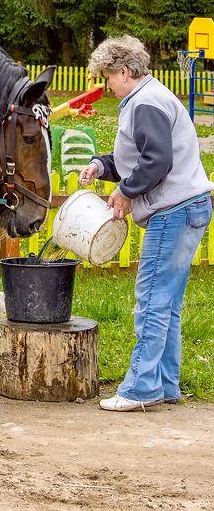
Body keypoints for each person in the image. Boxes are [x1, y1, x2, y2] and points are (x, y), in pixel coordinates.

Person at [79, 35, 214, 412]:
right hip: (189, 206)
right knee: (167, 303)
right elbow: (137, 155)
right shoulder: (149, 97)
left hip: (173, 211)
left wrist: (125, 191)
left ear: (124, 70)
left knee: (152, 300)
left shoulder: (147, 102)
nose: (106, 85)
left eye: (107, 76)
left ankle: (140, 388)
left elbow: (156, 161)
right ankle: (165, 384)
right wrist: (102, 166)